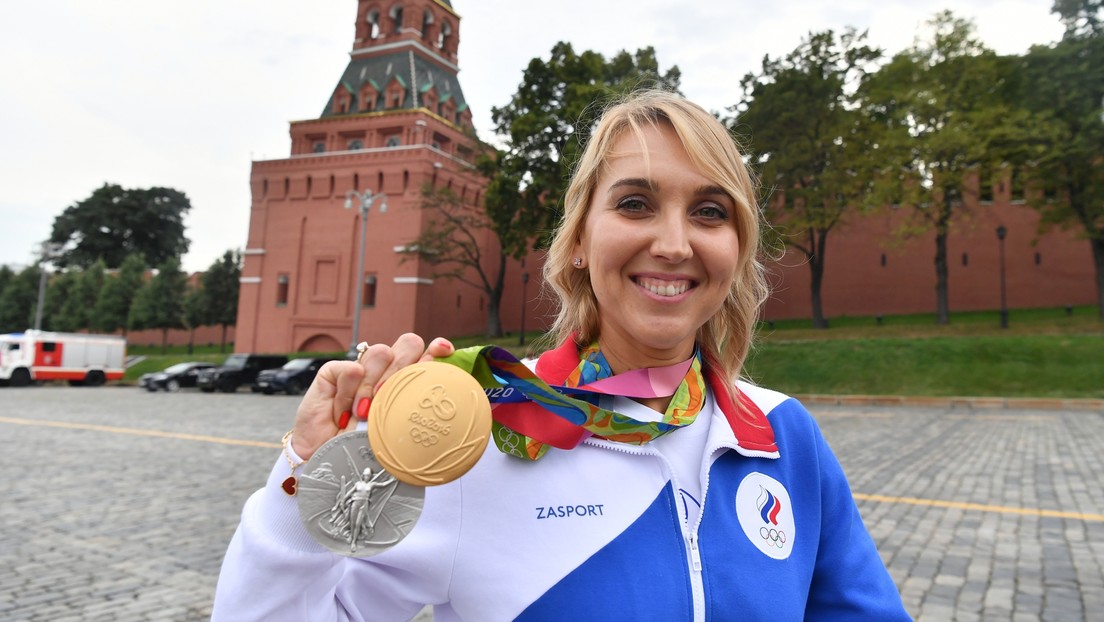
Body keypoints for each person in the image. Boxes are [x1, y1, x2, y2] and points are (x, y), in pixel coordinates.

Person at [212, 90, 912, 621]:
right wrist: (312, 481)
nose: (674, 243)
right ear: (579, 240)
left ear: (738, 247)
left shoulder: (783, 436)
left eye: (709, 212)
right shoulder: (479, 441)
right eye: (635, 204)